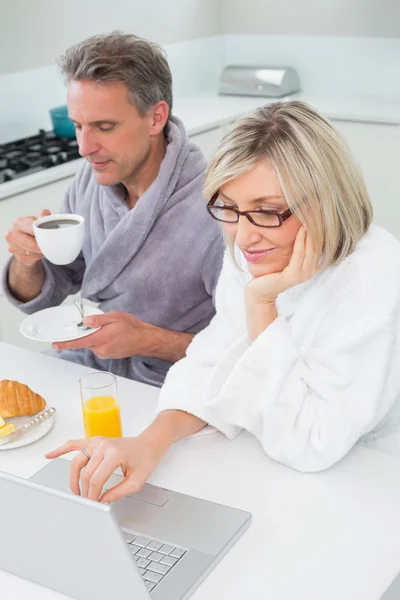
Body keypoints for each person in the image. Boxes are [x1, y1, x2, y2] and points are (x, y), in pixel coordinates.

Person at [46, 101, 400, 503]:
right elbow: (210, 362)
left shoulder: (371, 276)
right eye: (229, 208)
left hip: (367, 480)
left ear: (325, 201)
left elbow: (312, 443)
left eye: (266, 211)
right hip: (273, 465)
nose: (243, 236)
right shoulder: (253, 248)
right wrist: (148, 443)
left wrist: (261, 305)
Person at [2, 32, 223, 386]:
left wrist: (150, 340)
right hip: (88, 369)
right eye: (78, 126)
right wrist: (27, 262)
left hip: (173, 388)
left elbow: (254, 349)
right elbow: (50, 289)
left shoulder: (217, 209)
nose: (84, 148)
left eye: (105, 127)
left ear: (156, 118)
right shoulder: (91, 179)